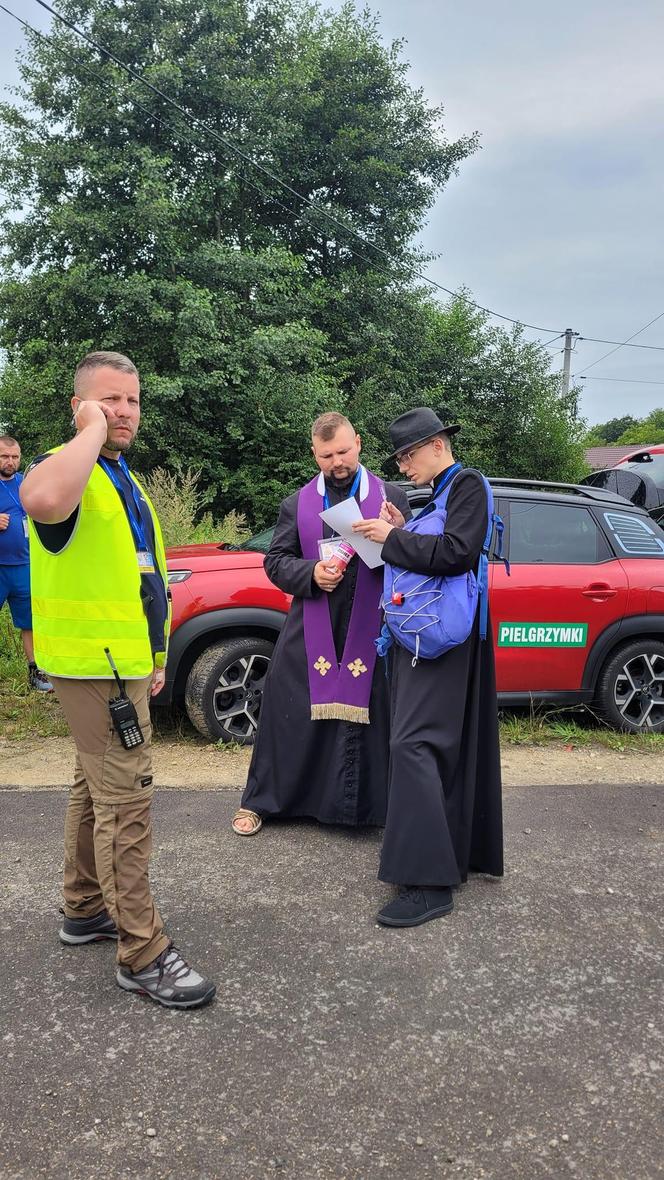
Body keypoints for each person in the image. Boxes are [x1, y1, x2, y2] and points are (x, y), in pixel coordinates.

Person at [20, 351, 215, 1009]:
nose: (125, 411)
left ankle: (83, 908)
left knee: (91, 782)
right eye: (110, 400)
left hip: (121, 662)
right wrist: (89, 430)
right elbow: (40, 498)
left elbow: (139, 578)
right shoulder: (69, 467)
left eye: (132, 400)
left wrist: (154, 656)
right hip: (94, 667)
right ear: (81, 405)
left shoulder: (117, 478)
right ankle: (144, 953)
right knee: (127, 804)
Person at [353, 407, 503, 927]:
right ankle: (447, 857)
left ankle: (431, 884)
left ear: (438, 444)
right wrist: (401, 526)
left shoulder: (468, 484)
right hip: (422, 641)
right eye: (398, 456)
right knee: (428, 746)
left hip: (444, 643)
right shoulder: (435, 495)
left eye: (408, 454)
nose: (403, 464)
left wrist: (390, 539)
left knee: (413, 745)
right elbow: (432, 547)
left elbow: (457, 553)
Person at [232, 411, 411, 836]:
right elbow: (275, 562)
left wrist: (401, 533)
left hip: (375, 628)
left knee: (373, 716)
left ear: (359, 444)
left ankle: (364, 811)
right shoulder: (298, 504)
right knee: (285, 710)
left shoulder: (392, 498)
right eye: (327, 454)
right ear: (315, 454)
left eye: (344, 451)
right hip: (313, 622)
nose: (338, 462)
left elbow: (414, 561)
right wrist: (310, 573)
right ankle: (262, 801)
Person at [0, 434, 52, 692]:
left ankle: (36, 673)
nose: (10, 461)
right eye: (4, 456)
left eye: (14, 457)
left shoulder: (25, 484)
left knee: (29, 623)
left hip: (24, 567)